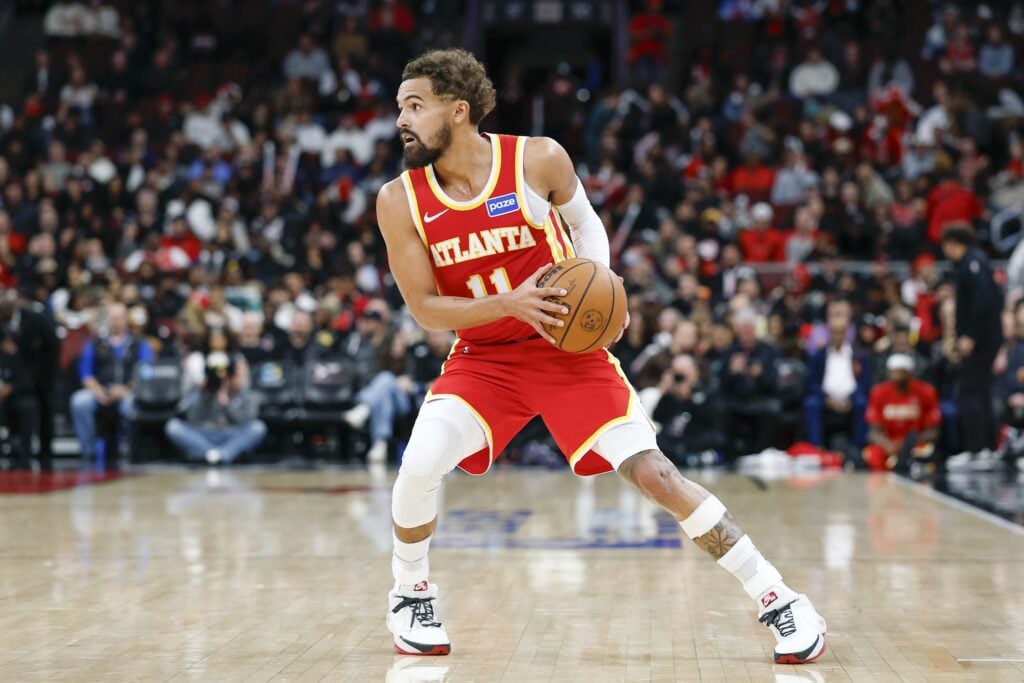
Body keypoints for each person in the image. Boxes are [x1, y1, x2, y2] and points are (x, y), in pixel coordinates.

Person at [375, 48, 825, 663]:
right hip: (486, 357)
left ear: (458, 111)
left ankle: (779, 597)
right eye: (400, 107)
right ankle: (411, 591)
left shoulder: (536, 159)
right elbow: (425, 309)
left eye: (414, 106)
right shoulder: (399, 200)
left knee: (656, 476)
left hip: (566, 352)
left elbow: (587, 229)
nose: (401, 119)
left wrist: (602, 293)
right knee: (420, 462)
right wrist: (511, 304)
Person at [941, 223, 1003, 453]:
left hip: (981, 341)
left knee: (970, 393)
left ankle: (977, 450)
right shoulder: (974, 261)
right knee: (982, 393)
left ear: (954, 243)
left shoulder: (973, 263)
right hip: (986, 339)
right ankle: (989, 448)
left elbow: (982, 300)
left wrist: (970, 336)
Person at [70, 302, 154, 468]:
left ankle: (131, 450)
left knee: (130, 406)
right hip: (101, 390)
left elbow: (146, 373)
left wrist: (125, 389)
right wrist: (98, 391)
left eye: (118, 317)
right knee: (79, 402)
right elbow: (86, 374)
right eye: (112, 317)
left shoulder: (139, 343)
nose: (115, 321)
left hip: (129, 390)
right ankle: (89, 451)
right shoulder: (95, 343)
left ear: (126, 319)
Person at [165, 345, 266, 465]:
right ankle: (211, 453)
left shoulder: (247, 395)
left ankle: (223, 455)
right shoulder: (205, 392)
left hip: (231, 434)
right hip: (205, 434)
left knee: (258, 427)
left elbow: (244, 421)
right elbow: (194, 420)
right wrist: (204, 396)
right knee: (173, 426)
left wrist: (225, 403)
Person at [0, 290, 59, 471]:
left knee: (43, 410)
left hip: (39, 376)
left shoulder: (35, 319)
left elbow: (52, 346)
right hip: (8, 378)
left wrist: (18, 383)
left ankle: (44, 457)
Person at [804, 299, 872, 451]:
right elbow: (812, 382)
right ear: (829, 333)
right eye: (834, 333)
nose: (837, 336)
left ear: (847, 332)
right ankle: (816, 448)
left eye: (841, 332)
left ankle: (858, 449)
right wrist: (826, 398)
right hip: (825, 396)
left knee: (862, 402)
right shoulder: (819, 356)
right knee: (811, 403)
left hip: (851, 397)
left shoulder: (859, 356)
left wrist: (850, 398)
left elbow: (864, 383)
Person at [863, 354, 941, 471]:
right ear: (888, 372)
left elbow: (933, 431)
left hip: (915, 444)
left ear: (910, 373)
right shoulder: (878, 392)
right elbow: (873, 431)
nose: (898, 376)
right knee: (873, 456)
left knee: (928, 456)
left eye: (902, 372)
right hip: (888, 443)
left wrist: (910, 442)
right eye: (895, 372)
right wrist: (886, 444)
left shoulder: (926, 392)